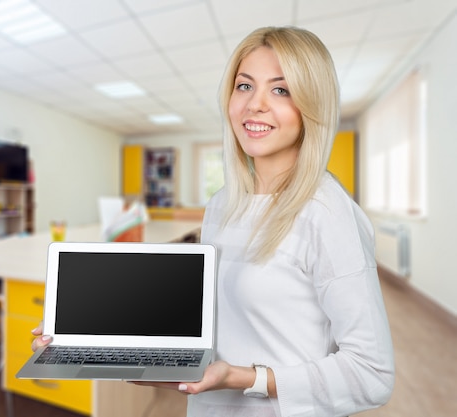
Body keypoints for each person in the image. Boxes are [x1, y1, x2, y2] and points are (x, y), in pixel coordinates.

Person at [32, 26, 395, 417]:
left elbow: (371, 375)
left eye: (280, 89)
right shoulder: (223, 203)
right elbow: (219, 321)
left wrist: (243, 378)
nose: (255, 105)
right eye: (244, 86)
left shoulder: (326, 212)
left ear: (312, 106)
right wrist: (102, 331)